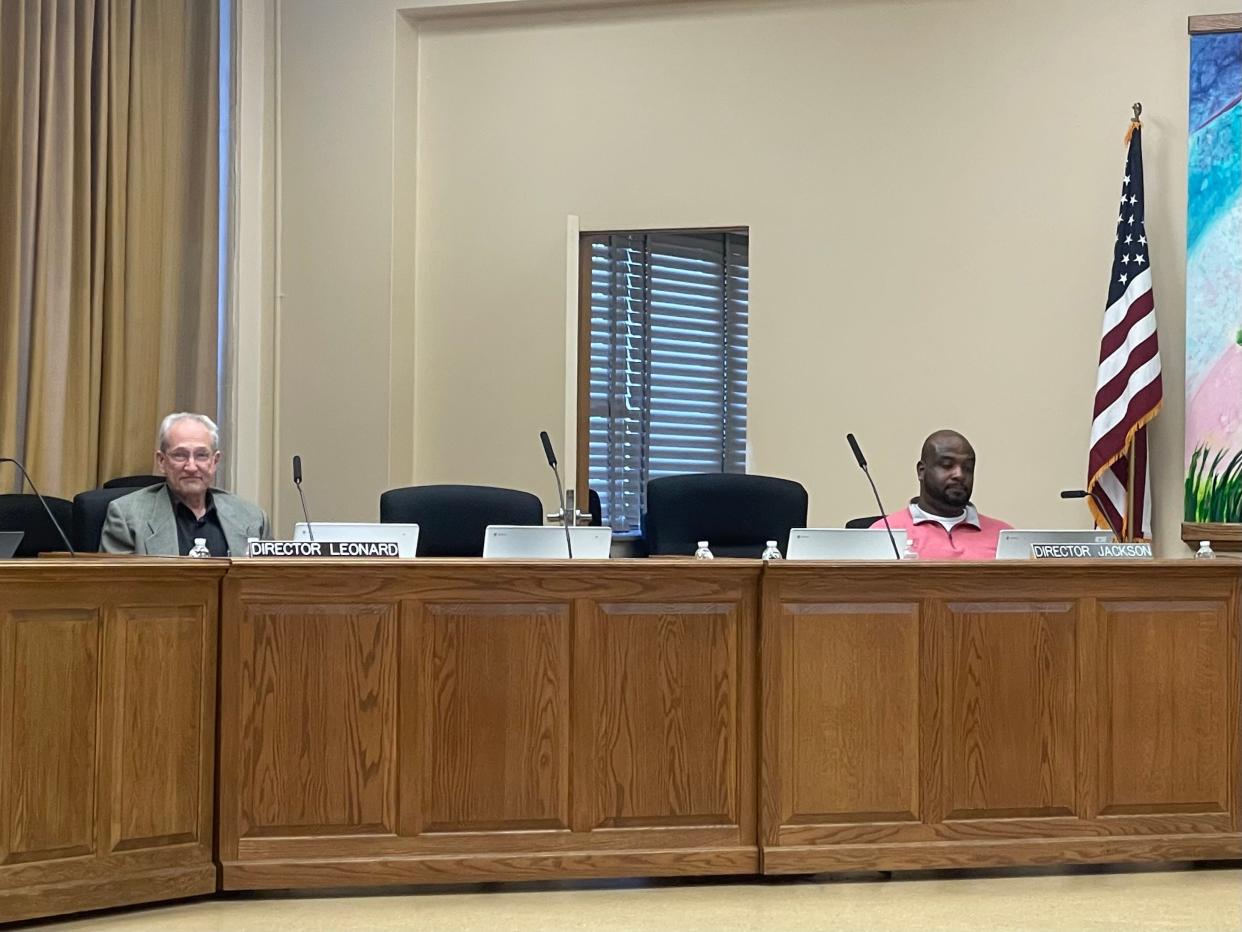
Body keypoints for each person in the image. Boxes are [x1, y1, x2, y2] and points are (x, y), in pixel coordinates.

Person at [101, 412, 270, 556]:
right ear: (161, 461)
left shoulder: (252, 519)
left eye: (201, 455)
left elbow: (270, 585)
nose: (191, 467)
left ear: (215, 461)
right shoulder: (127, 517)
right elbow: (117, 590)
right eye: (180, 455)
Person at [872, 429, 1011, 560]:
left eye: (967, 468)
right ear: (921, 471)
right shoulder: (883, 533)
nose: (959, 475)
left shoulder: (1005, 537)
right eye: (947, 465)